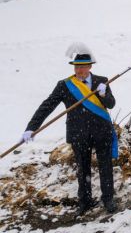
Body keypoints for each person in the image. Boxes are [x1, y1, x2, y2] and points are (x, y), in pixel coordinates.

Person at [23, 46, 117, 215]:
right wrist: (31, 128)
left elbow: (111, 104)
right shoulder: (65, 85)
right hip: (78, 133)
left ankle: (108, 199)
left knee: (105, 166)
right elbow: (47, 106)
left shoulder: (102, 81)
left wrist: (103, 95)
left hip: (101, 131)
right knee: (82, 168)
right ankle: (85, 201)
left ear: (90, 67)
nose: (79, 70)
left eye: (83, 66)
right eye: (77, 67)